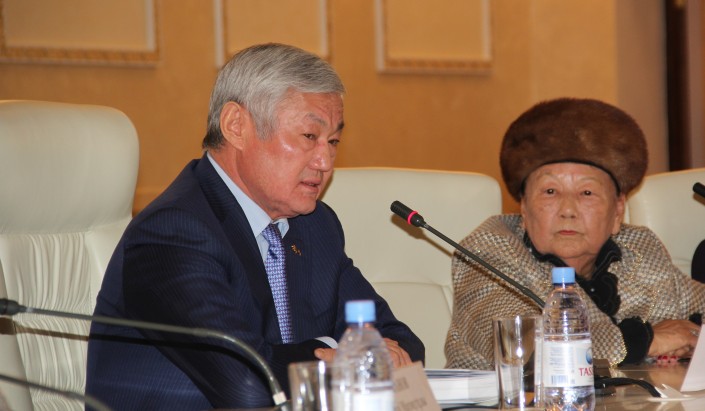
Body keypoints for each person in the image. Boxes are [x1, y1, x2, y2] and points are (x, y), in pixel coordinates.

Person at [86, 43, 424, 409]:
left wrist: (357, 355)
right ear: (236, 126)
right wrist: (344, 355)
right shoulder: (173, 233)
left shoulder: (316, 226)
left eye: (333, 141)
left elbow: (401, 342)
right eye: (309, 137)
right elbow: (248, 384)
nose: (326, 162)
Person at [445, 97, 705, 370]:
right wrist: (645, 341)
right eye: (550, 191)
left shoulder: (639, 248)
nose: (568, 210)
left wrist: (690, 334)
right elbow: (521, 345)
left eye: (587, 193)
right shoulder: (489, 249)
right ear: (523, 206)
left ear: (618, 210)